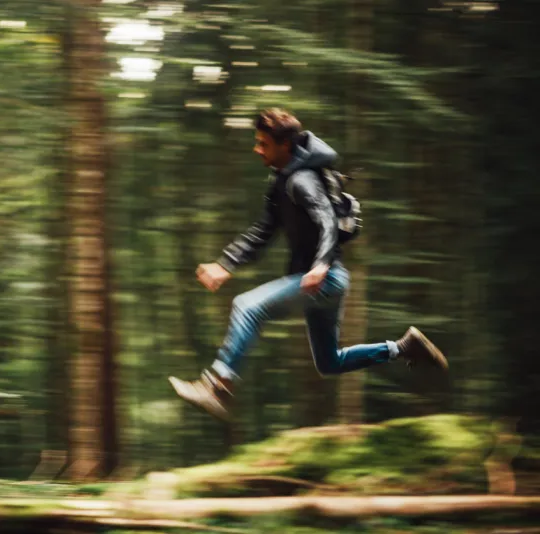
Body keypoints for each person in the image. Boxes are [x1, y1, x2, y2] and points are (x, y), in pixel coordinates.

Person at [168, 108, 448, 422]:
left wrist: (321, 265)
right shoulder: (281, 180)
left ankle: (217, 386)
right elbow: (263, 230)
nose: (257, 149)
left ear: (285, 145)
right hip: (321, 281)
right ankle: (404, 347)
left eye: (263, 144)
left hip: (323, 278)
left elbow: (328, 220)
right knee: (330, 362)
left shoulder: (302, 180)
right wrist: (226, 263)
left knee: (247, 306)